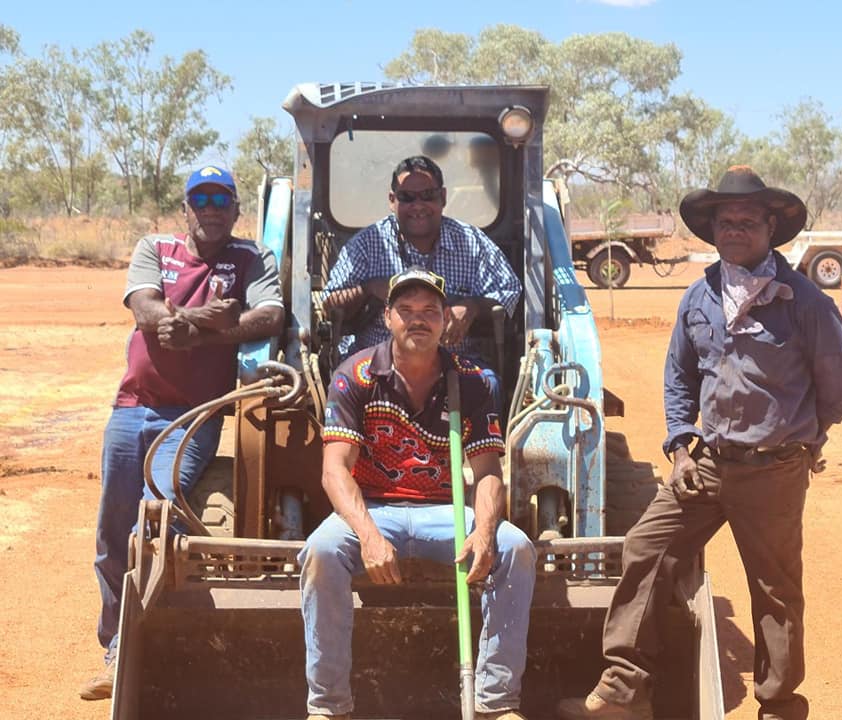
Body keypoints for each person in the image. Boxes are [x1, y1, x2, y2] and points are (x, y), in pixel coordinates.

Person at [556, 166, 842, 720]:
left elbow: (840, 385)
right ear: (712, 229)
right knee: (646, 547)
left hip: (773, 471)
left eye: (747, 221)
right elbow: (679, 378)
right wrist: (679, 446)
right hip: (707, 465)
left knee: (774, 588)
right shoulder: (699, 298)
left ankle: (779, 705)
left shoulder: (804, 302)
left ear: (771, 227)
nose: (735, 230)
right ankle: (626, 690)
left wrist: (807, 440)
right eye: (726, 222)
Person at [81, 165, 285, 701]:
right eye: (202, 197)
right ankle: (114, 640)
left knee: (156, 513)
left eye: (222, 198)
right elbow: (145, 305)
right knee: (112, 530)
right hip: (133, 409)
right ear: (187, 206)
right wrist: (201, 320)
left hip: (195, 416)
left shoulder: (251, 257)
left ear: (237, 209)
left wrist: (207, 332)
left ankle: (141, 646)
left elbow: (270, 316)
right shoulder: (157, 246)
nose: (212, 207)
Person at [299, 267, 535, 720]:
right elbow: (334, 471)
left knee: (516, 548)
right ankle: (328, 707)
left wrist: (484, 533)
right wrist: (367, 536)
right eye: (406, 310)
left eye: (429, 311)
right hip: (373, 509)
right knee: (320, 551)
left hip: (446, 510)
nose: (418, 320)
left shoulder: (471, 381)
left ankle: (496, 702)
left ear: (447, 319)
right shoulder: (356, 376)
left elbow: (487, 471)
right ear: (387, 317)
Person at [321, 155, 521, 367]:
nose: (418, 205)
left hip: (455, 365)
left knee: (490, 388)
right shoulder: (367, 243)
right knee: (343, 387)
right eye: (407, 197)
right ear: (392, 200)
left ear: (443, 197)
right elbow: (329, 305)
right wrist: (369, 288)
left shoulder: (471, 242)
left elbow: (509, 292)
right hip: (376, 365)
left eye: (428, 195)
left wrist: (472, 307)